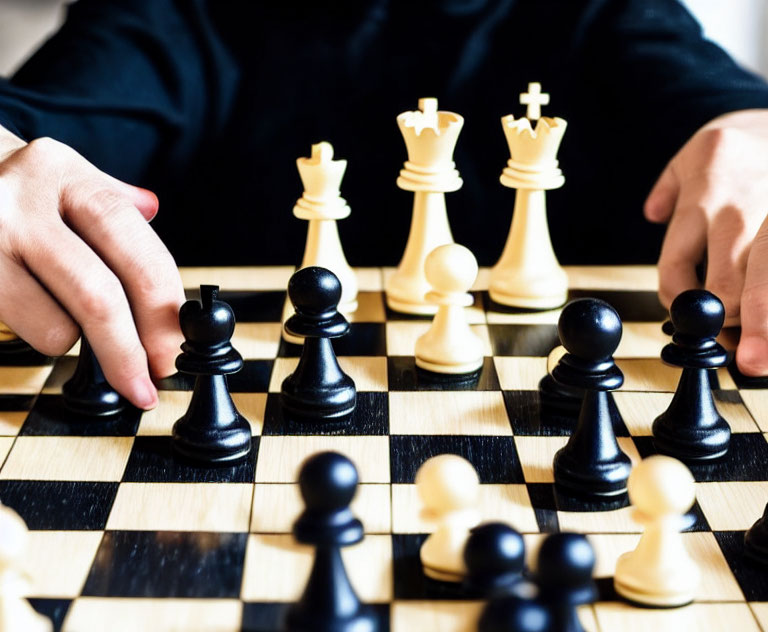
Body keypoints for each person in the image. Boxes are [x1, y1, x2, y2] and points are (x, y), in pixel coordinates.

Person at [0, 0, 768, 409]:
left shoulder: (603, 13)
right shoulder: (172, 14)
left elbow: (719, 106)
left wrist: (749, 129)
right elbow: (30, 130)